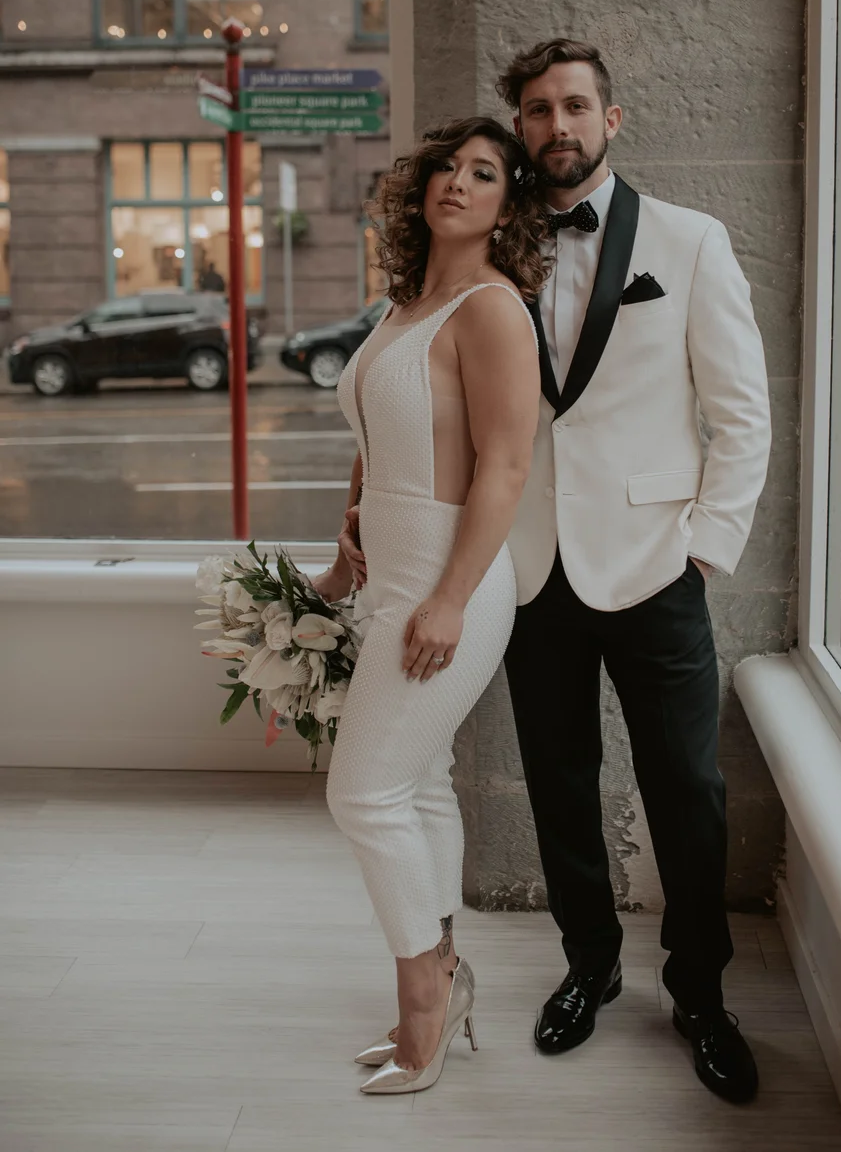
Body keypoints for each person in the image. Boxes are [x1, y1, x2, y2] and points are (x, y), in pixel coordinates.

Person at [498, 39, 771, 1104]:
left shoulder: (690, 241)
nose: (554, 125)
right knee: (560, 780)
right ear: (519, 126)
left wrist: (706, 550)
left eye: (573, 105)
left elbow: (742, 416)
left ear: (613, 118)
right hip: (531, 568)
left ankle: (699, 992)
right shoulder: (496, 247)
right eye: (534, 109)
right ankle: (590, 961)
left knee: (687, 792)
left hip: (659, 563)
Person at [312, 116, 546, 1096]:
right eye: (447, 165)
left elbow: (507, 463)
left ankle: (426, 997)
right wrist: (348, 532)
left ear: (506, 201)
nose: (458, 181)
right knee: (417, 786)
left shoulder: (492, 308)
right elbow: (375, 436)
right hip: (393, 563)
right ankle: (443, 971)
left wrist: (449, 595)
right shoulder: (405, 305)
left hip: (455, 574)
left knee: (359, 793)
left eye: (483, 172)